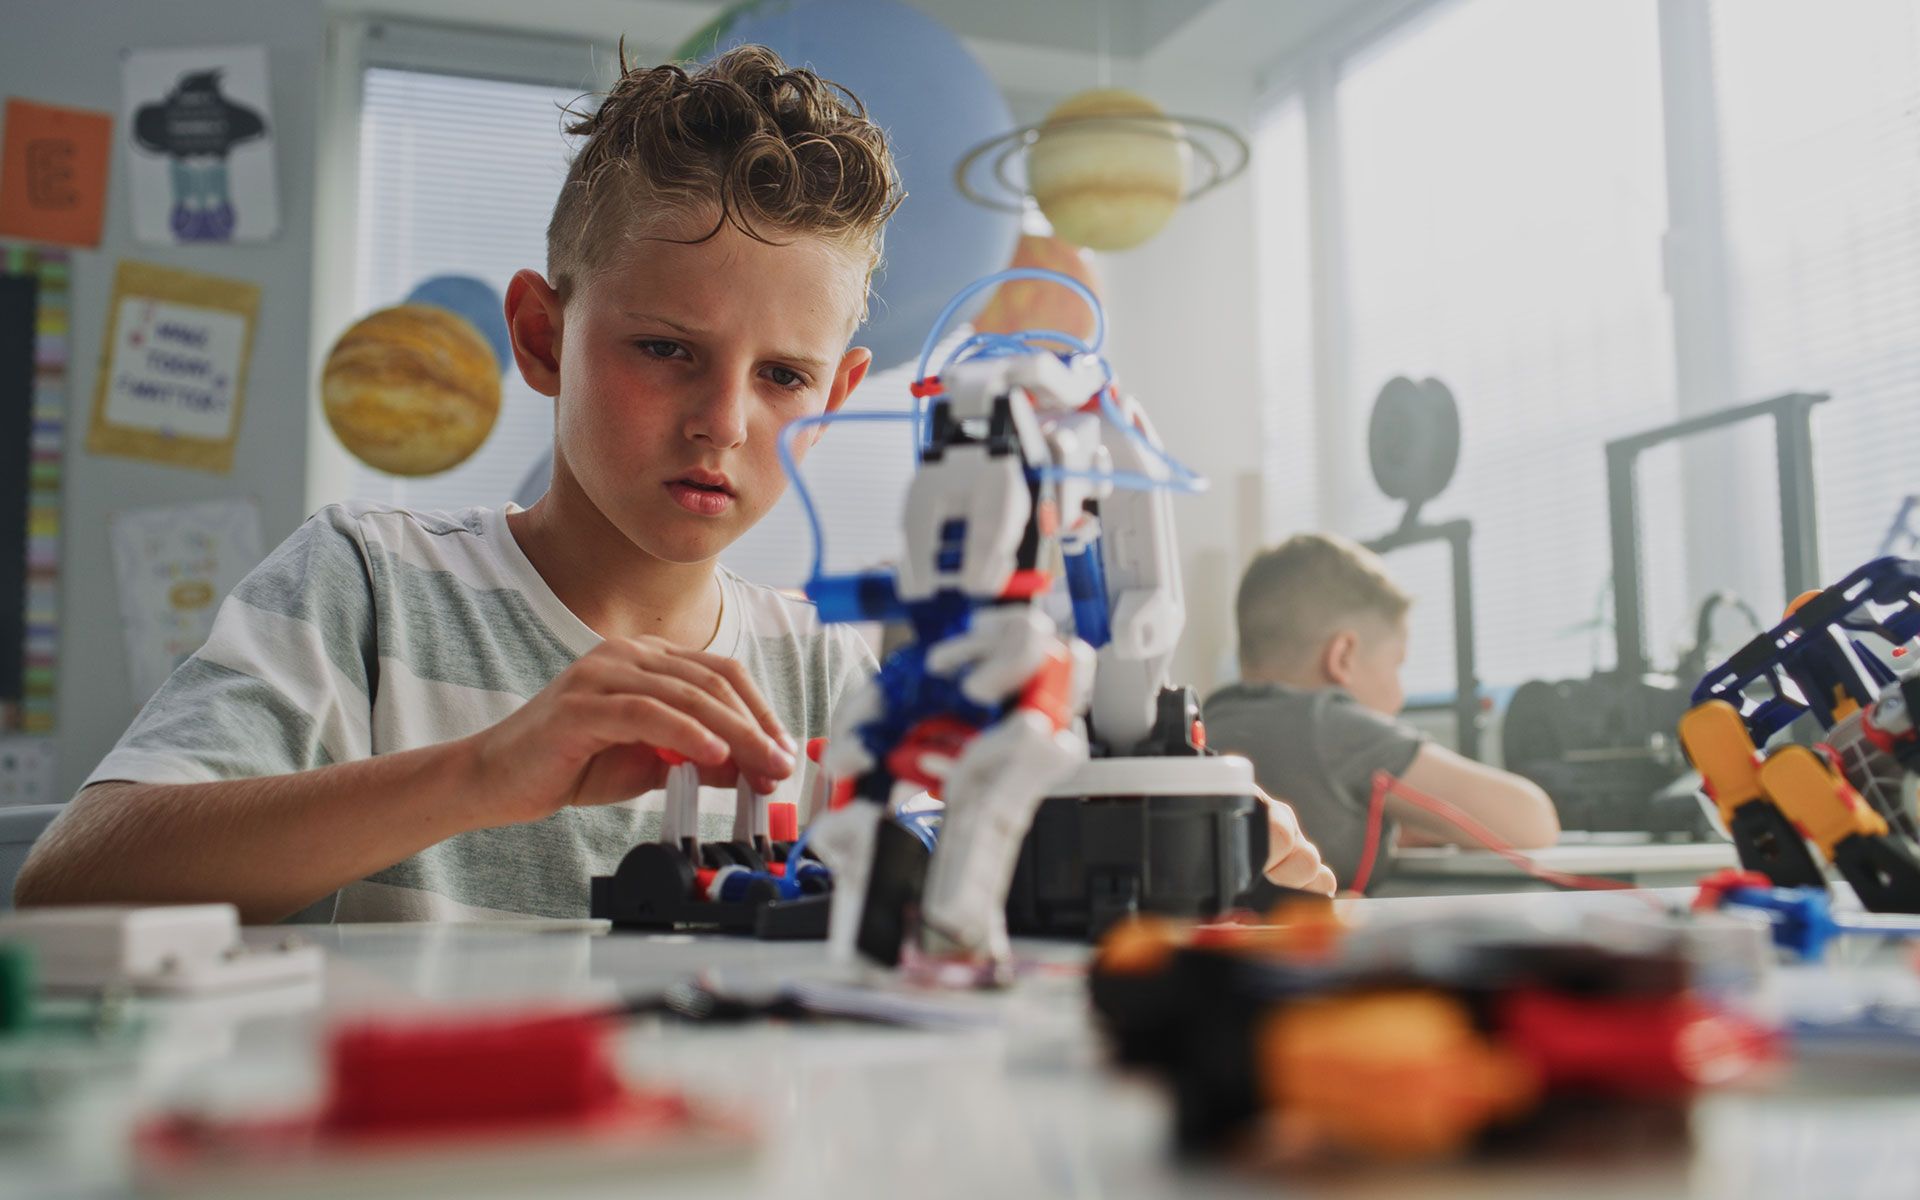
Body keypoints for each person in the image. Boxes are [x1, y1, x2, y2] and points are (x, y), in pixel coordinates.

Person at [1205, 533, 1559, 892]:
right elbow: (1532, 820)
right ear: (1343, 656)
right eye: (1397, 664)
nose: (1400, 695)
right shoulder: (1332, 725)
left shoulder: (1207, 722)